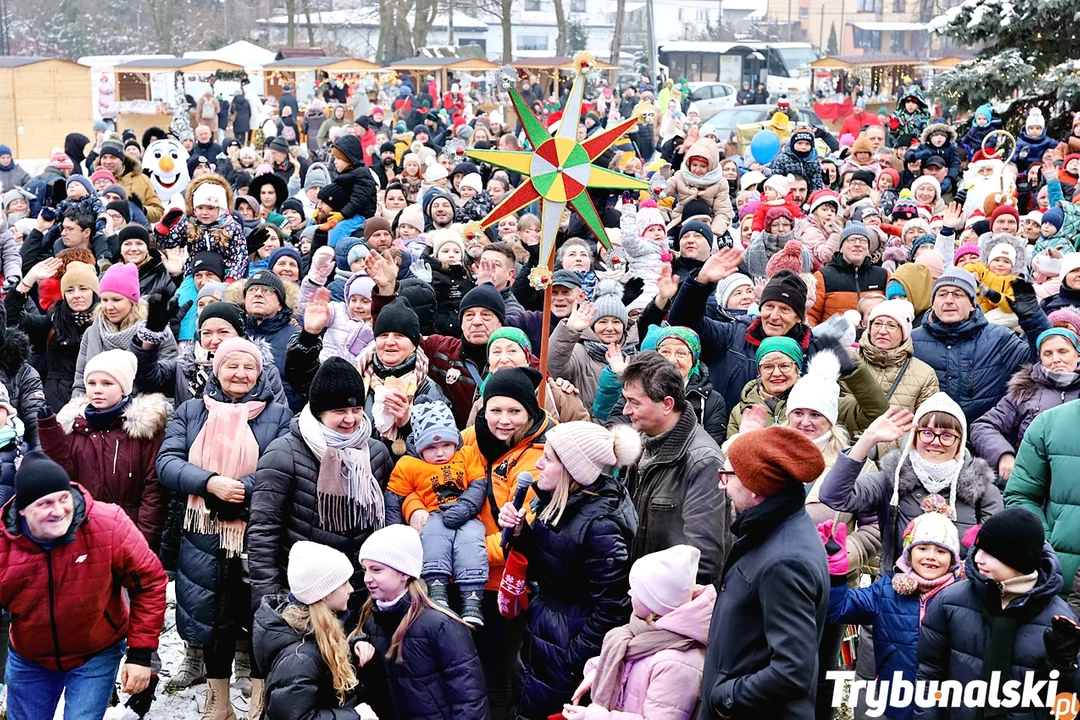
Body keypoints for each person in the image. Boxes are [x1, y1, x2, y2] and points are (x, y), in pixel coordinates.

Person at [156, 337, 292, 711]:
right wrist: (209, 483)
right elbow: (167, 463)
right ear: (217, 369)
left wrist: (243, 489)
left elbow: (280, 465)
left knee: (258, 613)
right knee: (211, 614)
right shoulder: (190, 411)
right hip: (202, 530)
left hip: (256, 529)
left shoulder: (278, 415)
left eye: (249, 367)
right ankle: (219, 703)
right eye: (232, 365)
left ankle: (259, 700)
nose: (240, 373)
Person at [0, 451, 167, 719]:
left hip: (96, 651)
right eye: (45, 504)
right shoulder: (4, 544)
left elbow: (150, 582)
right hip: (30, 656)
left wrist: (140, 654)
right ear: (22, 509)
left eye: (63, 498)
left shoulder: (108, 523)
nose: (58, 511)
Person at [498, 420, 640, 720]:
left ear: (573, 470)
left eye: (548, 458)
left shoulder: (601, 526)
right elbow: (549, 567)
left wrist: (572, 657)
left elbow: (612, 608)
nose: (538, 463)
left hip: (564, 655)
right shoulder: (556, 504)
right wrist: (522, 534)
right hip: (545, 636)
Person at [699, 426, 829, 719]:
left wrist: (725, 697)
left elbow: (792, 671)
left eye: (728, 476)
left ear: (756, 487)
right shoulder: (771, 528)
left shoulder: (785, 561)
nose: (723, 486)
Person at [250, 357, 394, 622]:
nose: (351, 419)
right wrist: (269, 604)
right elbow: (263, 532)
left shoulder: (375, 452)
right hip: (305, 599)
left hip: (361, 592)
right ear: (319, 412)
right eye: (339, 411)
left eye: (357, 409)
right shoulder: (284, 454)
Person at [460, 366, 555, 719]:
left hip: (505, 587)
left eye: (514, 411)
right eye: (495, 411)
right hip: (467, 581)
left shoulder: (540, 457)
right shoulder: (470, 438)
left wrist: (464, 555)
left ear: (530, 413)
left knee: (497, 676)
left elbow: (522, 532)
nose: (503, 421)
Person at [819, 394, 1003, 574]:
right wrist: (868, 440)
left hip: (958, 597)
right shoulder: (892, 480)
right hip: (896, 593)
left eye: (947, 435)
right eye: (927, 433)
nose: (936, 442)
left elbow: (993, 555)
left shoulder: (982, 490)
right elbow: (833, 496)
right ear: (915, 437)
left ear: (960, 442)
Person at [917, 508, 1080, 711]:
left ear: (1019, 560)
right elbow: (929, 673)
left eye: (991, 553)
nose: (978, 559)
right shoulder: (950, 601)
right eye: (979, 549)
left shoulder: (1059, 619)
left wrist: (1064, 666)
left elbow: (1066, 703)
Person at [821, 499, 963, 720]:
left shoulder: (962, 597)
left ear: (953, 559)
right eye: (922, 548)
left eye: (941, 551)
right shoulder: (886, 591)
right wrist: (837, 576)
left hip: (945, 705)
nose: (930, 557)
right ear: (909, 553)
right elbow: (838, 609)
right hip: (896, 701)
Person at [561, 545, 716, 720]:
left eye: (637, 591)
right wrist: (602, 669)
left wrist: (594, 717)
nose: (629, 592)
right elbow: (635, 667)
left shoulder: (676, 664)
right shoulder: (647, 631)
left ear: (655, 604)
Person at [613, 352, 729, 584]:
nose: (625, 411)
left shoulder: (702, 461)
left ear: (667, 404)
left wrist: (653, 596)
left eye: (634, 402)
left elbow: (703, 560)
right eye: (626, 400)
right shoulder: (639, 442)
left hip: (665, 603)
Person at [38, 349, 169, 551]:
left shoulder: (144, 431)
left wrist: (143, 541)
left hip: (128, 530)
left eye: (107, 383)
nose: (97, 390)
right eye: (92, 383)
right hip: (83, 530)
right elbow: (64, 476)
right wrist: (50, 435)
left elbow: (153, 492)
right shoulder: (73, 426)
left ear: (124, 387)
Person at [356, 524, 489, 720]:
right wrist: (355, 643)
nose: (367, 578)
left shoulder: (441, 624)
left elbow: (470, 698)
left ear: (404, 573)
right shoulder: (371, 622)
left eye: (377, 570)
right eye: (365, 569)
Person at [253, 541, 378, 719]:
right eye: (344, 583)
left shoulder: (317, 628)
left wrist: (353, 643)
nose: (351, 589)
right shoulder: (299, 658)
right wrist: (355, 717)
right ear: (325, 592)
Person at [911, 266, 1041, 421]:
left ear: (973, 304)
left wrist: (1033, 320)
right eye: (942, 294)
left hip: (985, 437)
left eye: (958, 295)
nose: (949, 300)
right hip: (930, 438)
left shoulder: (999, 338)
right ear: (933, 303)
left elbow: (1041, 359)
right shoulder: (912, 340)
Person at [971, 328, 1080, 485]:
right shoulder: (1024, 391)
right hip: (1033, 482)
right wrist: (1004, 454)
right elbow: (983, 426)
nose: (1056, 359)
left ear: (1077, 355)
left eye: (1063, 351)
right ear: (1040, 359)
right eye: (1048, 353)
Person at [73, 262, 178, 397]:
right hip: (99, 410)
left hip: (144, 409)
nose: (109, 307)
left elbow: (167, 375)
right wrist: (76, 409)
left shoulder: (155, 330)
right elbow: (81, 380)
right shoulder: (92, 332)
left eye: (116, 300)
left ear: (132, 301)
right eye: (104, 300)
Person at [7, 258, 98, 411]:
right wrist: (27, 281)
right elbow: (11, 319)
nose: (76, 295)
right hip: (55, 404)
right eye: (70, 290)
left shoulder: (105, 323)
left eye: (83, 288)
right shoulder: (53, 322)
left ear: (95, 292)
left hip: (96, 399)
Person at [857, 298, 940, 453]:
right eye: (877, 323)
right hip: (843, 453)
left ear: (903, 332)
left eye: (891, 325)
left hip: (892, 459)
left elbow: (925, 428)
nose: (882, 331)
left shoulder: (924, 374)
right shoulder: (848, 362)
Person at [807, 223, 890, 325]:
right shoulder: (823, 277)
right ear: (841, 247)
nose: (857, 244)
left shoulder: (883, 276)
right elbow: (810, 315)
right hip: (834, 339)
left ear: (868, 249)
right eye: (851, 240)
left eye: (863, 240)